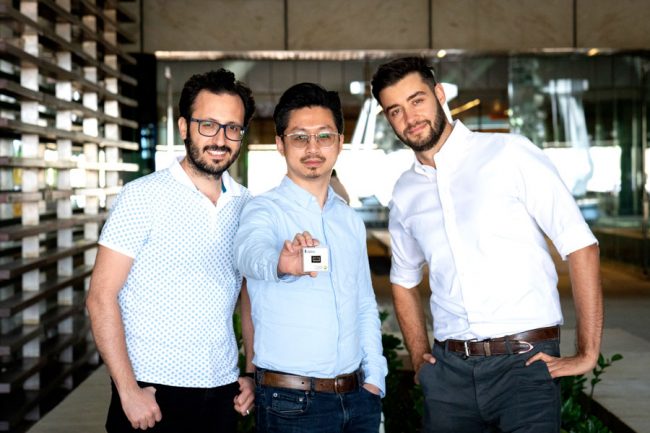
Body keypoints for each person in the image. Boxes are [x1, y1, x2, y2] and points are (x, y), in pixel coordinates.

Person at [370, 57, 603, 433]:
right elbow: (403, 280)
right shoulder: (405, 192)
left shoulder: (509, 153)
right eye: (395, 110)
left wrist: (588, 352)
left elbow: (580, 246)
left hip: (524, 366)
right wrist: (419, 357)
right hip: (449, 375)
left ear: (440, 94)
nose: (409, 117)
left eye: (417, 100)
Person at [86, 69, 256, 432]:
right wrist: (128, 390)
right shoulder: (142, 196)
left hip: (222, 389)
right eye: (208, 124)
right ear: (183, 127)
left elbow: (250, 293)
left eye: (232, 128)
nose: (220, 139)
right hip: (151, 393)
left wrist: (251, 371)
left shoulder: (246, 205)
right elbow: (101, 296)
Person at [234, 82, 387, 433]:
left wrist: (375, 379)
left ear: (340, 143)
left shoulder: (349, 220)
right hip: (292, 404)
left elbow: (364, 304)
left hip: (359, 399)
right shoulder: (264, 210)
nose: (313, 148)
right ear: (280, 144)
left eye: (324, 136)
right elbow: (248, 253)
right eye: (300, 137)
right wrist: (283, 263)